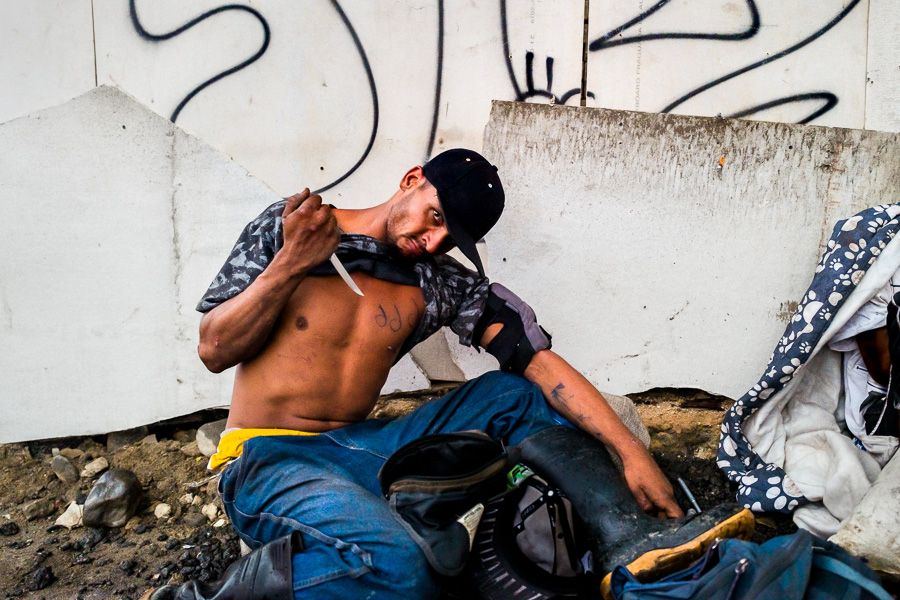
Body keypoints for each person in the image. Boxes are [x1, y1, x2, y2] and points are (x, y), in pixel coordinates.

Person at [150, 149, 752, 600]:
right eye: (431, 216)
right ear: (411, 181)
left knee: (509, 394)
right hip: (267, 459)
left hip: (362, 450)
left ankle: (627, 539)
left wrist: (630, 452)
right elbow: (213, 348)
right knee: (405, 571)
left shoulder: (435, 280)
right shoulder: (293, 229)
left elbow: (536, 360)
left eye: (448, 237)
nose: (430, 239)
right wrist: (290, 262)